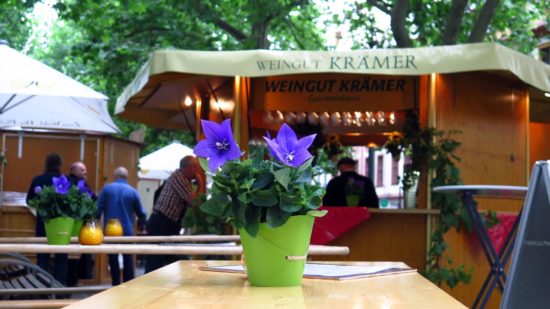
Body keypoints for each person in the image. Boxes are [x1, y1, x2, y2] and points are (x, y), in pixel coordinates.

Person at [145, 155, 203, 273]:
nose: (198, 172)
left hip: (163, 222)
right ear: (190, 168)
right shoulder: (180, 179)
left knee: (165, 258)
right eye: (196, 168)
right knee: (158, 259)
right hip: (162, 223)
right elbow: (195, 202)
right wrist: (200, 183)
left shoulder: (180, 178)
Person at [96, 167, 147, 286]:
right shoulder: (133, 191)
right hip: (127, 230)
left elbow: (98, 210)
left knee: (113, 259)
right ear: (127, 177)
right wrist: (143, 225)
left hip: (110, 231)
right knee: (128, 258)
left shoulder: (106, 189)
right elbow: (141, 213)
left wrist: (92, 225)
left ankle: (115, 284)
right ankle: (127, 286)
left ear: (115, 175)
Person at [26, 153, 69, 285]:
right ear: (59, 165)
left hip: (42, 223)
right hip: (62, 226)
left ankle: (41, 287)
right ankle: (60, 289)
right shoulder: (65, 180)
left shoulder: (38, 179)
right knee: (61, 259)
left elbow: (29, 200)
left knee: (42, 258)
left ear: (46, 164)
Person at [66, 161, 96, 287]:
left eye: (86, 170)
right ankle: (72, 282)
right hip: (75, 226)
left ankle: (72, 281)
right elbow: (93, 199)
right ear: (73, 170)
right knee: (74, 256)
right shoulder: (74, 183)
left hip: (76, 226)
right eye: (82, 170)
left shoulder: (80, 182)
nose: (85, 172)